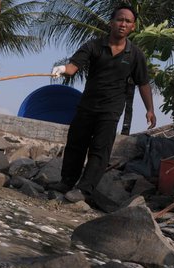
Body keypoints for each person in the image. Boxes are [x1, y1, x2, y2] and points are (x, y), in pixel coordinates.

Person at [48, 4, 157, 199]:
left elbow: (143, 83)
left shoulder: (135, 55)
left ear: (133, 27)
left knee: (100, 149)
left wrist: (150, 110)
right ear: (111, 22)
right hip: (87, 105)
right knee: (76, 143)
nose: (123, 24)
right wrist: (62, 69)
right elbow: (73, 67)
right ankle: (66, 182)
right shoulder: (93, 46)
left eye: (128, 21)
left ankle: (83, 189)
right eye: (119, 19)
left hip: (111, 109)